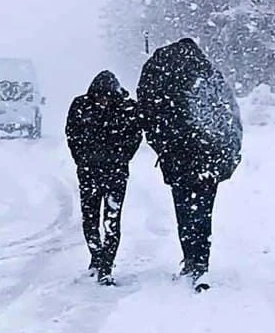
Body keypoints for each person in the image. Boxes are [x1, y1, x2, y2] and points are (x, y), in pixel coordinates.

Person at [137, 38, 243, 290]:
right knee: (204, 212)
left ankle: (190, 259)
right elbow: (229, 117)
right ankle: (201, 262)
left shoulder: (164, 79)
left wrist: (164, 148)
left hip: (180, 161)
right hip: (210, 160)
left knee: (185, 211)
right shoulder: (209, 77)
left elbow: (149, 117)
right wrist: (226, 155)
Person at [65, 70, 142, 285]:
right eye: (99, 97)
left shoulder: (127, 109)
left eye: (106, 98)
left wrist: (120, 158)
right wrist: (82, 160)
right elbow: (72, 135)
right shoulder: (81, 106)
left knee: (112, 221)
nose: (103, 102)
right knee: (90, 220)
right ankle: (96, 256)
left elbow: (135, 136)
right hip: (89, 173)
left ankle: (106, 265)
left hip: (115, 174)